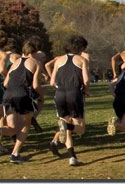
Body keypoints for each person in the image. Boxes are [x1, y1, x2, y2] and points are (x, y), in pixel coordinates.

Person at [47, 35, 90, 166]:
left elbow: (52, 82)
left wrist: (61, 87)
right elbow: (86, 80)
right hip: (74, 93)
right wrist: (86, 90)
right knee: (80, 128)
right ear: (81, 48)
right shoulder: (82, 60)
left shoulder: (59, 60)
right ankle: (67, 127)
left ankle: (72, 157)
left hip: (59, 93)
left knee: (65, 123)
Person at [0, 39, 43, 163]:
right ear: (35, 51)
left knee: (12, 128)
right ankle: (15, 154)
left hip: (8, 95)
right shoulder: (36, 63)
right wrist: (42, 92)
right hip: (22, 94)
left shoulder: (15, 62)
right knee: (26, 124)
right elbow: (35, 85)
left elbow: (6, 83)